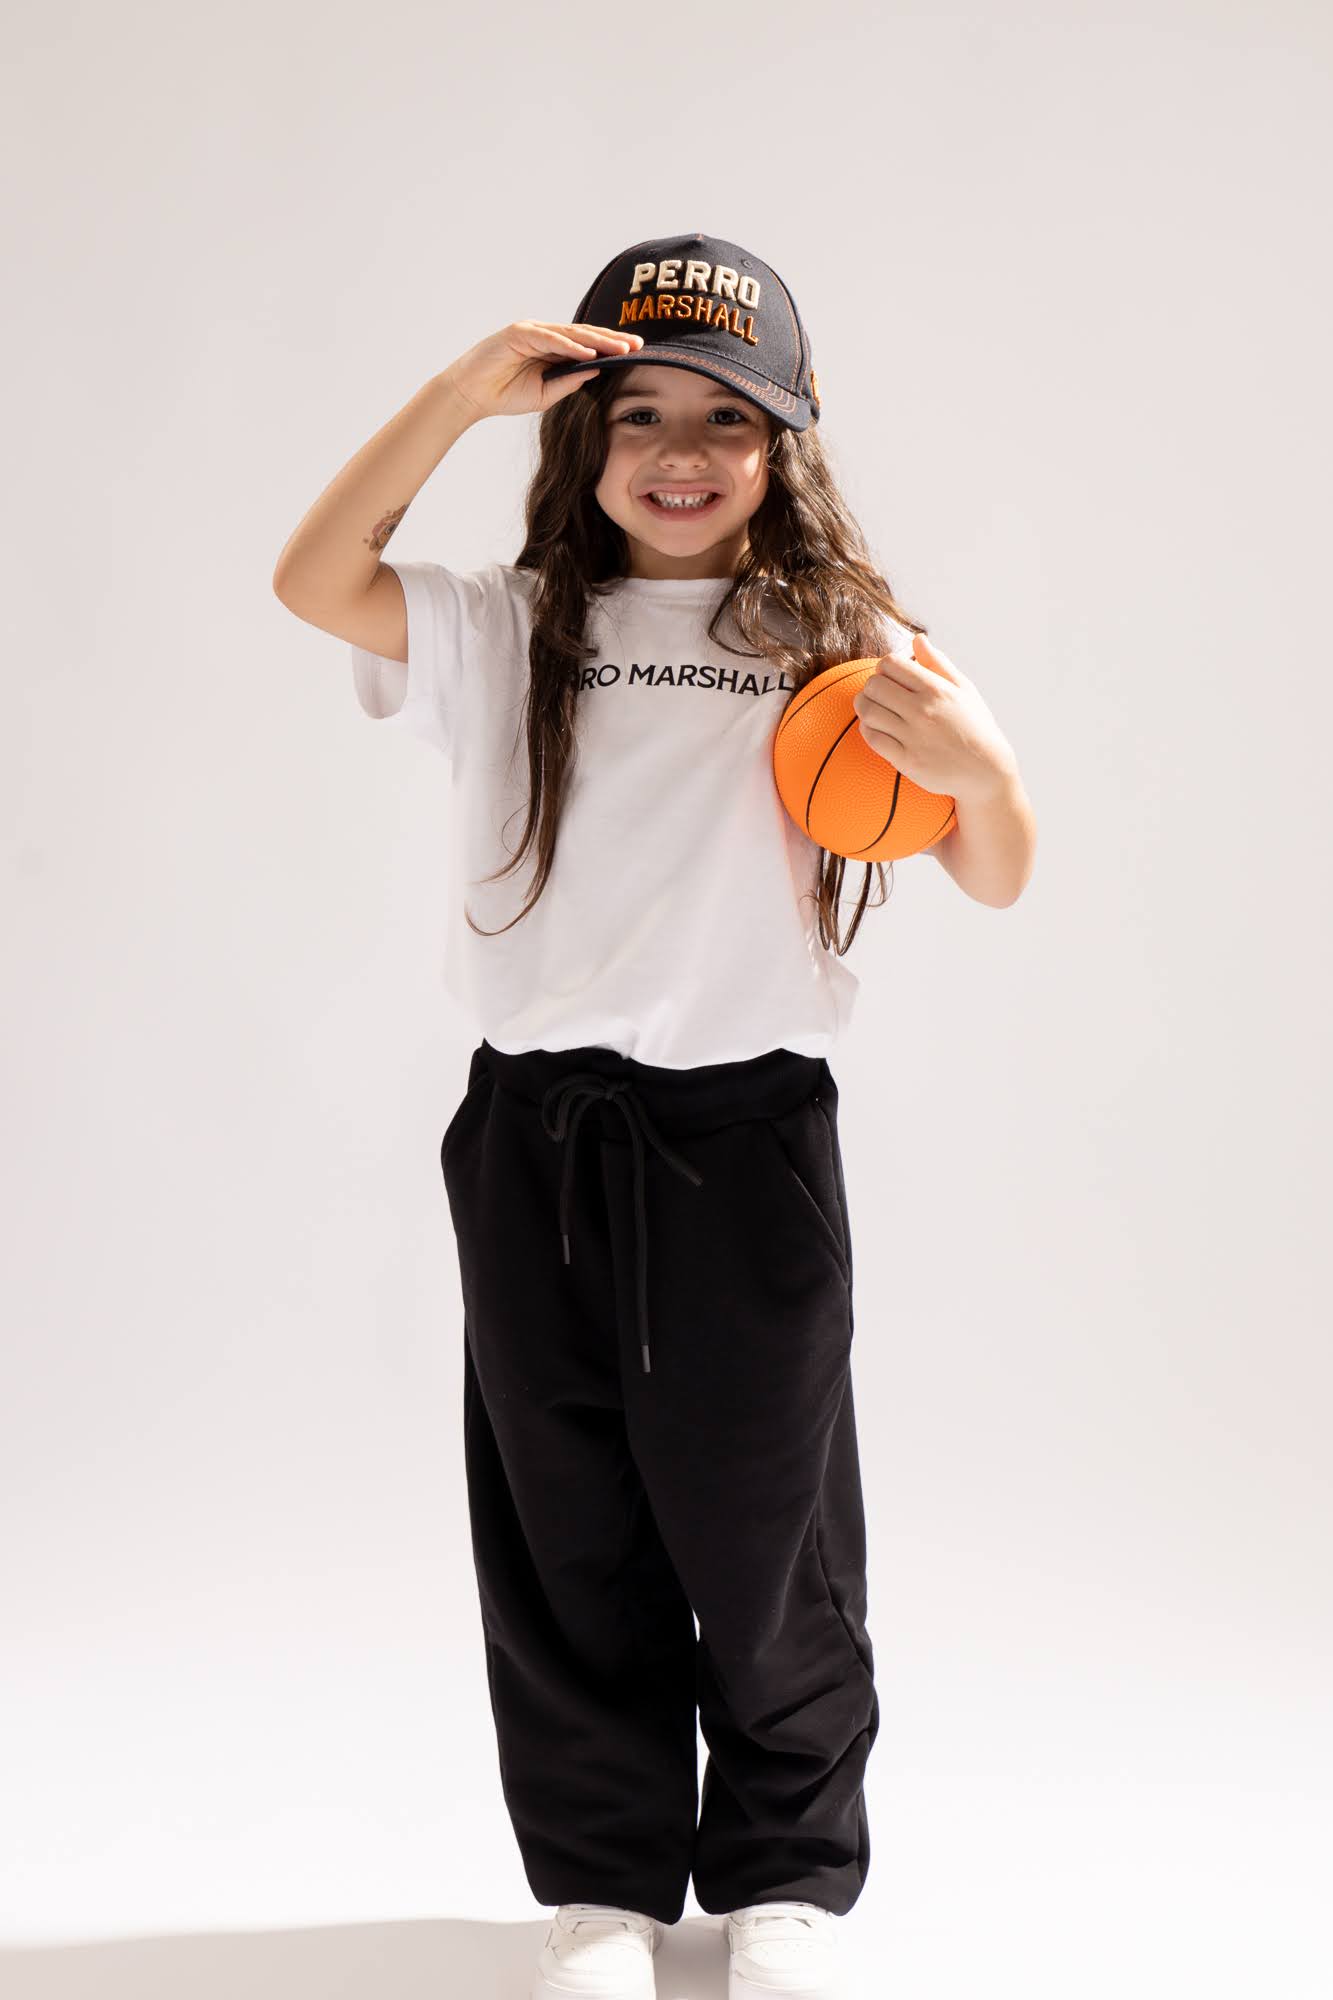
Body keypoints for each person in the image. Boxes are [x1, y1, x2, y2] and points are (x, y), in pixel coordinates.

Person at [273, 231, 1035, 2000]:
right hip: (532, 1133)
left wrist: (985, 771)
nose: (678, 452)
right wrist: (456, 395)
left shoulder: (843, 649)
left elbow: (995, 869)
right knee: (566, 1520)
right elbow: (315, 579)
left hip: (744, 1139)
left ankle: (785, 1880)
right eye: (637, 414)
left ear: (788, 444)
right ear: (579, 433)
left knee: (768, 1524)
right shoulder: (508, 623)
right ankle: (602, 1891)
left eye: (724, 419)